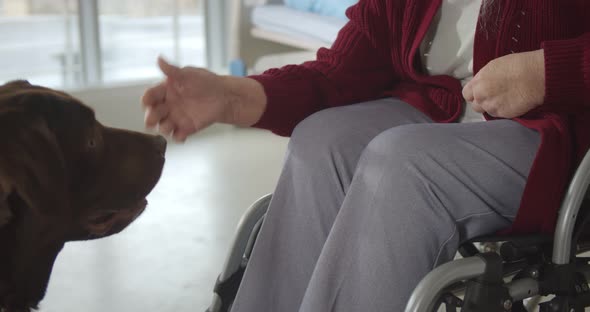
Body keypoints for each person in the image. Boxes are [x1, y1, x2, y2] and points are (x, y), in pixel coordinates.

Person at [141, 0, 590, 310]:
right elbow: (341, 73)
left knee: (402, 164)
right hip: (443, 116)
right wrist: (233, 97)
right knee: (323, 140)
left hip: (556, 132)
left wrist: (548, 72)